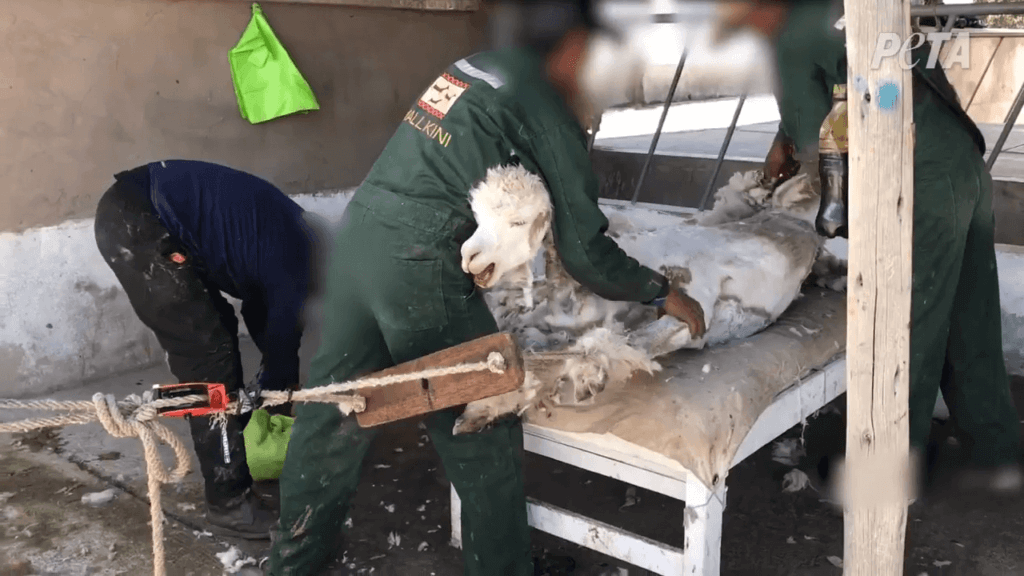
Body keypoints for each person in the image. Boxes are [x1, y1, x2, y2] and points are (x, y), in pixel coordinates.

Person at [263, 36, 707, 576]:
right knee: (483, 422)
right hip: (419, 261)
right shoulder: (550, 108)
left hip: (361, 235)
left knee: (335, 405)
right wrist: (660, 290)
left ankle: (293, 563)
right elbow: (587, 252)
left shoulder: (484, 63)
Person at [718, 0, 1022, 495]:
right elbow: (843, 86)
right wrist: (786, 137)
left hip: (918, 179)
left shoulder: (788, 39)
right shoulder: (832, 9)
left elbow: (823, 145)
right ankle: (998, 454)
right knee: (971, 320)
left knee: (904, 329)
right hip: (960, 164)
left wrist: (800, 175)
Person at [93, 159, 327, 539]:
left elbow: (259, 310)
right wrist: (276, 402)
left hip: (137, 210)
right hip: (142, 221)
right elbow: (284, 337)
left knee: (216, 333)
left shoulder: (290, 233)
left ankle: (232, 468)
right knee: (208, 356)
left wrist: (264, 393)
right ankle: (229, 502)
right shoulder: (301, 257)